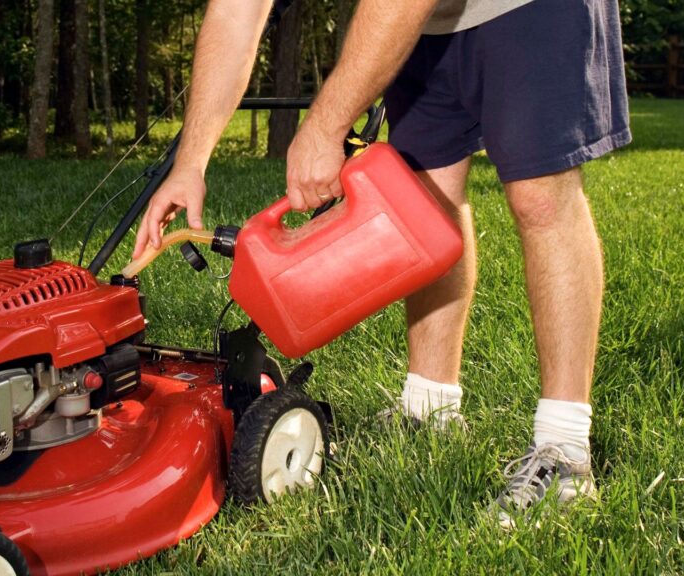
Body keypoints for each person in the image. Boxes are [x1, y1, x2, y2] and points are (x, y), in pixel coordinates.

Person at [132, 0, 630, 528]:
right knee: (425, 198)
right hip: (424, 25)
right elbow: (236, 13)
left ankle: (564, 450)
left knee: (540, 198)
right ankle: (430, 408)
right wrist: (190, 164)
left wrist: (326, 126)